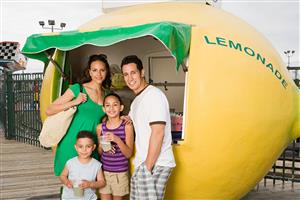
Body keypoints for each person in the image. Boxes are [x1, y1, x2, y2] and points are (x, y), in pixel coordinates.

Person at [46, 54, 111, 176]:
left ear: (106, 72)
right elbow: (50, 110)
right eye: (95, 70)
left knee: (88, 184)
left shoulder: (107, 94)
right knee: (69, 181)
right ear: (89, 72)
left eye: (102, 70)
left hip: (92, 145)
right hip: (72, 143)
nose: (99, 74)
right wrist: (75, 102)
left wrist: (122, 117)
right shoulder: (78, 89)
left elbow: (107, 121)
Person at [121, 55, 176, 200]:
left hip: (156, 162)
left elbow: (158, 132)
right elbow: (131, 120)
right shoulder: (137, 101)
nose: (130, 78)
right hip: (144, 163)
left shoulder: (154, 96)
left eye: (133, 72)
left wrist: (148, 166)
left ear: (142, 72)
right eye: (126, 74)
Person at [97, 93, 134, 200]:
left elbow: (128, 154)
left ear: (121, 107)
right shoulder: (100, 128)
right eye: (107, 105)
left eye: (115, 105)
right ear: (104, 109)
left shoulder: (127, 126)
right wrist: (102, 146)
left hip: (120, 173)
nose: (111, 108)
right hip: (104, 172)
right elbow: (99, 153)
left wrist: (116, 139)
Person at [59, 131, 106, 200]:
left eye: (88, 146)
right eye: (80, 146)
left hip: (89, 198)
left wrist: (90, 184)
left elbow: (102, 182)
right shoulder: (70, 162)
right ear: (76, 147)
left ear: (93, 147)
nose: (84, 150)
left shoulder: (96, 165)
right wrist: (67, 182)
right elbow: (62, 176)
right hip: (69, 197)